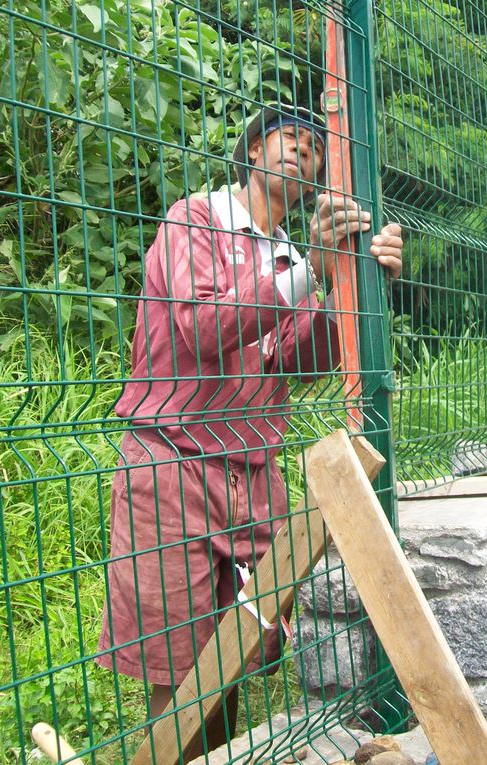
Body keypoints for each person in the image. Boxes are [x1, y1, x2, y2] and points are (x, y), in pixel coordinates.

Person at [95, 102, 403, 757]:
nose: (300, 150)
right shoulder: (193, 221)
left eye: (312, 147)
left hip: (249, 471)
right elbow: (202, 329)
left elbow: (304, 363)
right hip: (171, 463)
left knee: (230, 649)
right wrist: (309, 269)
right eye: (284, 139)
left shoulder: (291, 253)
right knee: (176, 665)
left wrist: (355, 282)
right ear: (253, 153)